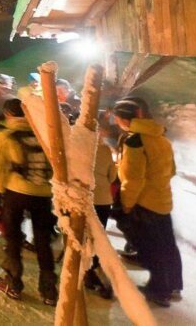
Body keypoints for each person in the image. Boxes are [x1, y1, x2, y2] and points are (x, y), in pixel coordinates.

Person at [113, 98, 182, 308]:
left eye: (117, 119)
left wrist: (126, 203)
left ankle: (159, 290)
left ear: (124, 119)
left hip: (144, 203)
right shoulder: (161, 137)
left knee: (152, 247)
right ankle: (174, 284)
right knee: (167, 244)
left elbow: (133, 179)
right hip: (162, 198)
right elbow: (172, 171)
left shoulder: (135, 142)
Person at [0, 98, 57, 305]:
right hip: (44, 194)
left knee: (14, 239)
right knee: (43, 241)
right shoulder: (44, 134)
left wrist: (0, 193)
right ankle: (49, 290)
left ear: (8, 115)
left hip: (16, 192)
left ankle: (14, 283)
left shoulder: (6, 136)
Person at [85, 125, 117, 299]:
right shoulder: (105, 150)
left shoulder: (80, 150)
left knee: (84, 236)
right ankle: (94, 267)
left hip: (86, 199)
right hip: (104, 200)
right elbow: (113, 175)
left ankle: (87, 270)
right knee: (98, 236)